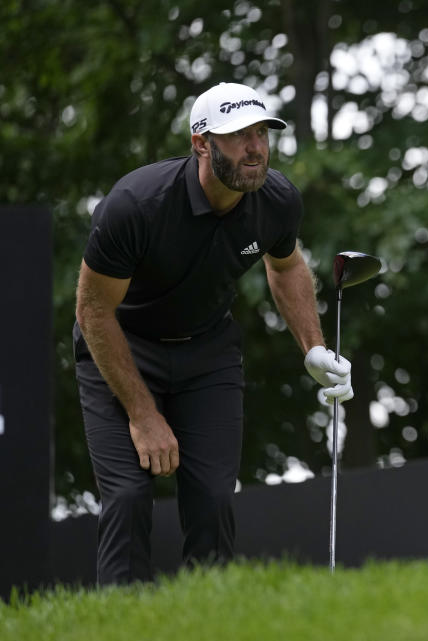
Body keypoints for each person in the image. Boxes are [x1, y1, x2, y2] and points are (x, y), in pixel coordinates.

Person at [73, 82, 351, 585]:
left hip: (208, 352)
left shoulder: (276, 199)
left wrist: (313, 347)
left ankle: (211, 620)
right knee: (129, 498)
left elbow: (286, 267)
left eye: (262, 133)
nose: (255, 147)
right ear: (201, 143)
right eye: (238, 135)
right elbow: (93, 312)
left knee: (214, 499)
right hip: (122, 348)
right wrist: (143, 413)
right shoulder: (137, 204)